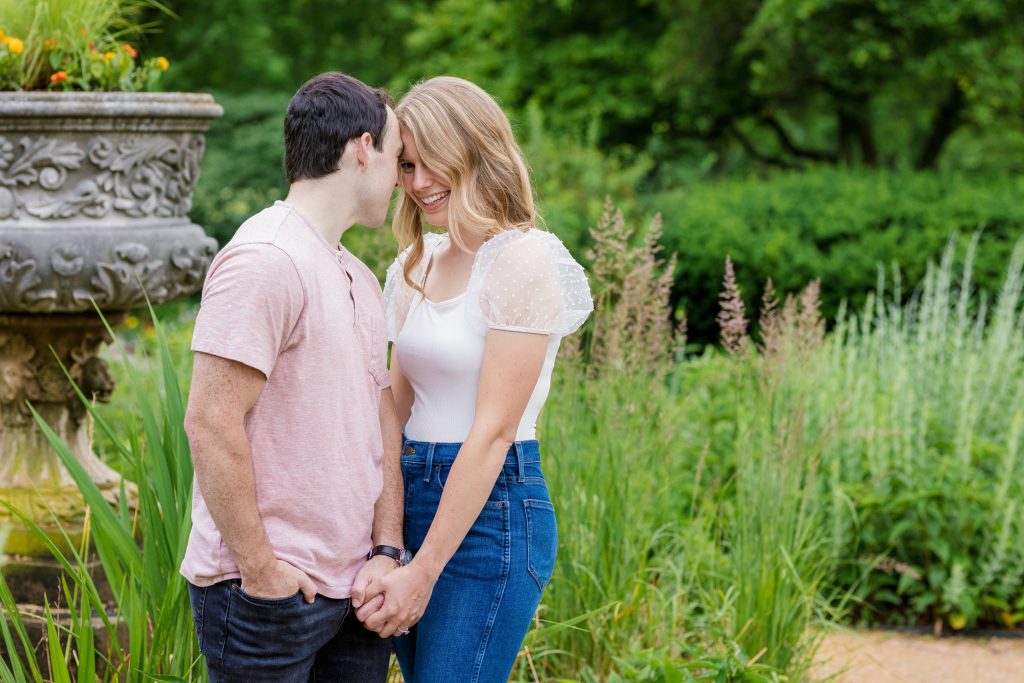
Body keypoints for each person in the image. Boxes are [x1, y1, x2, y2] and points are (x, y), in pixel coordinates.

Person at [357, 76, 593, 682]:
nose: (418, 182)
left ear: (474, 149)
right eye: (405, 165)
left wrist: (424, 568)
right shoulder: (415, 263)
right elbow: (392, 406)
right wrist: (387, 546)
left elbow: (492, 431)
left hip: (493, 512)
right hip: (413, 494)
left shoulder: (523, 260)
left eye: (431, 160)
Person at [180, 71, 412, 682]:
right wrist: (260, 569)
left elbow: (381, 418)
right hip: (268, 598)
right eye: (397, 158)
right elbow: (209, 420)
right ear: (363, 149)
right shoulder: (265, 260)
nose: (402, 180)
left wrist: (386, 551)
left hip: (356, 593)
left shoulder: (357, 275)